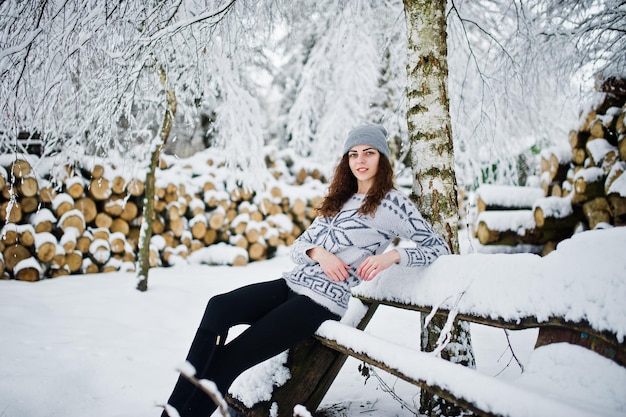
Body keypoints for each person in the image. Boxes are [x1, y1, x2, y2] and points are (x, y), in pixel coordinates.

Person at [161, 124, 450, 417]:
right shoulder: (340, 199)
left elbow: (438, 247)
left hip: (319, 303)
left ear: (382, 159)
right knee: (218, 307)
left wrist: (393, 256)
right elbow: (299, 247)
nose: (360, 161)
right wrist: (318, 253)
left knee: (228, 361)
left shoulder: (393, 203)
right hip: (290, 286)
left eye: (369, 153)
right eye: (353, 154)